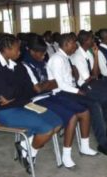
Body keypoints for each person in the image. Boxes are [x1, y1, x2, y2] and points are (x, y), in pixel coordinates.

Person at [0, 33, 62, 173]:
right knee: (46, 128)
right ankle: (29, 156)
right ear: (6, 49)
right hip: (6, 111)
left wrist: (14, 95)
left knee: (57, 122)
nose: (20, 52)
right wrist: (17, 92)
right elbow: (9, 94)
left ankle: (27, 149)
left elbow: (31, 91)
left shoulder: (18, 66)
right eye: (16, 49)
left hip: (24, 104)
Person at [47, 33, 107, 157]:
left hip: (73, 89)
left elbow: (89, 75)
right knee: (95, 104)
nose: (75, 46)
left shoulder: (66, 57)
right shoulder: (57, 59)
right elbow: (60, 84)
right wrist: (78, 90)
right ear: (66, 44)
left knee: (106, 99)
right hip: (63, 92)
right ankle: (102, 143)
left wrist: (75, 76)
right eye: (73, 43)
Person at [22, 34, 97, 168]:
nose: (44, 55)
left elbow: (53, 83)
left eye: (44, 52)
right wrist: (47, 84)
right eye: (41, 52)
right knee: (72, 116)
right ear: (32, 51)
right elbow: (38, 89)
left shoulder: (43, 62)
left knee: (84, 112)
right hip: (36, 100)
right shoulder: (26, 65)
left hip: (50, 95)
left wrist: (47, 84)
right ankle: (65, 156)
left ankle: (83, 147)